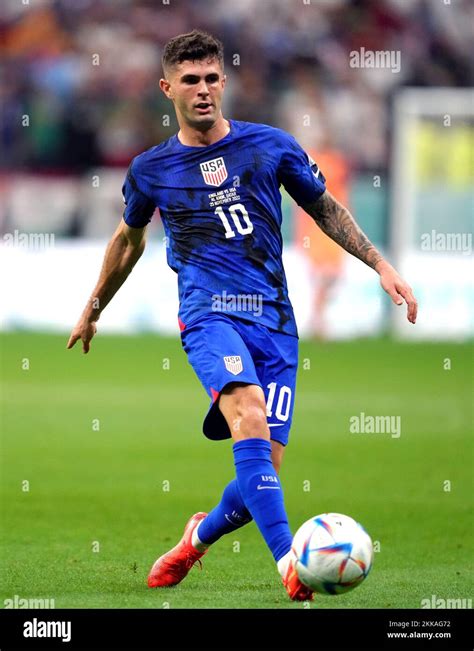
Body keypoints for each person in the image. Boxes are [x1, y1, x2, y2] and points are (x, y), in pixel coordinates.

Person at [67, 30, 417, 601]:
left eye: (211, 79)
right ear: (167, 89)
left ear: (223, 82)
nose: (202, 91)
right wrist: (92, 308)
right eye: (189, 81)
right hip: (209, 314)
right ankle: (290, 563)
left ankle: (196, 538)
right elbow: (128, 241)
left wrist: (380, 264)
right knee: (247, 415)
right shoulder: (152, 169)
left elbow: (323, 207)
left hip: (275, 323)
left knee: (263, 477)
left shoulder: (269, 146)